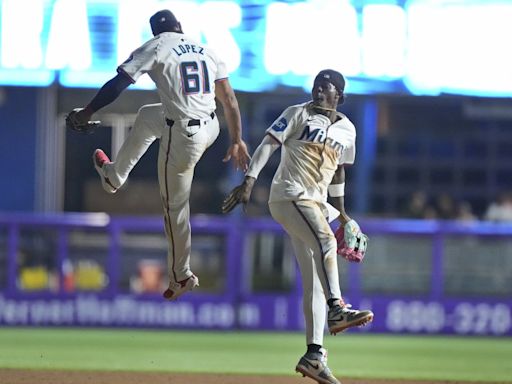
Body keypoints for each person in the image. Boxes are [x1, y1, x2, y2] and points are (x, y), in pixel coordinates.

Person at [66, 9, 250, 301]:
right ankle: (114, 175)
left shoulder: (156, 45)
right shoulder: (205, 49)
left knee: (174, 207)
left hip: (184, 136)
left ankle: (181, 273)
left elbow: (118, 84)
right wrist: (237, 139)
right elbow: (228, 99)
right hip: (212, 126)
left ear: (156, 32)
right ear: (180, 27)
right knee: (149, 115)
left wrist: (87, 112)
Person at [222, 69, 373, 384]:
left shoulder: (347, 130)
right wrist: (249, 180)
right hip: (290, 195)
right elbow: (267, 145)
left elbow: (339, 171)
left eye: (326, 88)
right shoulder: (297, 113)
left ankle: (314, 354)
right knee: (326, 243)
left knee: (315, 280)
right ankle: (337, 308)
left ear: (339, 96)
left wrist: (343, 214)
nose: (319, 92)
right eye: (316, 86)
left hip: (316, 203)